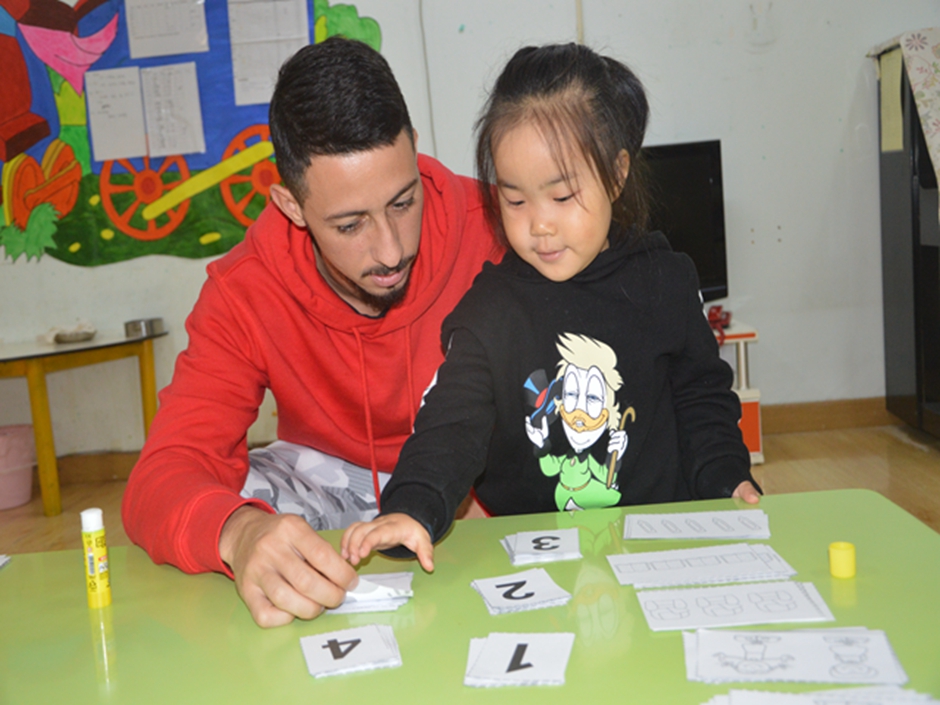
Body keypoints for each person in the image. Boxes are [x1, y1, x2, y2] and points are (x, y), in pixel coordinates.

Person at [121, 37, 503, 628]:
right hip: (335, 489)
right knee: (234, 495)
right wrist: (240, 533)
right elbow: (163, 472)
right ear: (291, 206)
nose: (390, 250)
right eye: (350, 225)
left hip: (479, 474)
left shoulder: (504, 225)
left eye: (403, 203)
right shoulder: (246, 288)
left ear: (414, 147)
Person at [341, 43, 761, 571]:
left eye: (561, 197)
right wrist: (413, 506)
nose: (538, 225)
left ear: (617, 174)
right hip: (536, 559)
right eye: (515, 200)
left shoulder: (666, 282)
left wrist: (726, 477)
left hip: (657, 544)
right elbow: (451, 422)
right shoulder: (491, 309)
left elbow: (702, 398)